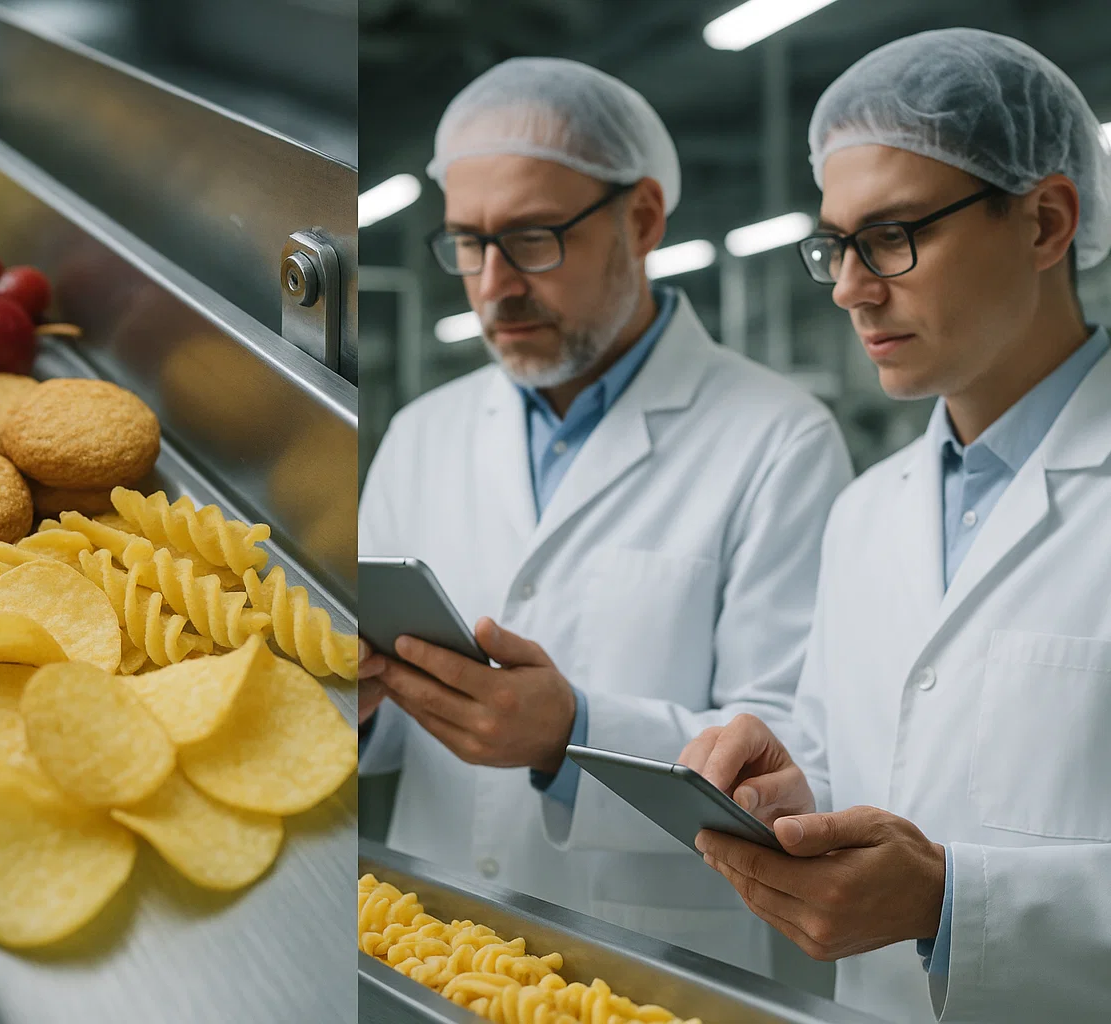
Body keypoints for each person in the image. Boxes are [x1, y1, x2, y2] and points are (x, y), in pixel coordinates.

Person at [679, 28, 1111, 1021]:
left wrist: (950, 901)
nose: (850, 287)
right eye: (835, 246)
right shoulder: (865, 512)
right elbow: (881, 766)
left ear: (1046, 222)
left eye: (891, 236)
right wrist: (798, 792)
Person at [357, 56, 852, 974]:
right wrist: (349, 702)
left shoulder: (780, 439)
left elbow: (795, 754)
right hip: (432, 946)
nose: (493, 284)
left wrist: (572, 732)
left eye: (532, 238)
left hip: (650, 966)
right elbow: (385, 739)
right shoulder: (422, 433)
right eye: (467, 243)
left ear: (643, 219)